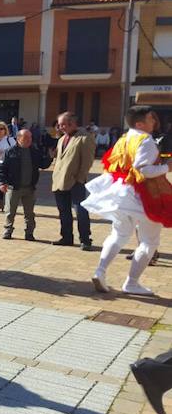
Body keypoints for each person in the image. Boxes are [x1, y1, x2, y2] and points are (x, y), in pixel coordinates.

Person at [83, 106, 171, 295]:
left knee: (119, 234)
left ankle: (100, 271)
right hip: (143, 194)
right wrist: (166, 167)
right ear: (140, 123)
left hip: (121, 193)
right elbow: (143, 170)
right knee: (149, 241)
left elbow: (113, 164)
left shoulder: (125, 138)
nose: (154, 122)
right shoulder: (145, 140)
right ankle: (131, 282)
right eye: (150, 119)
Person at [51, 111, 96, 249]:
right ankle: (66, 237)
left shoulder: (85, 138)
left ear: (73, 123)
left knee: (80, 211)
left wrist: (80, 178)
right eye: (59, 125)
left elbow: (87, 161)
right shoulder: (61, 139)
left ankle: (85, 239)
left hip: (75, 181)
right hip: (59, 181)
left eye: (63, 124)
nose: (61, 127)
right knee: (63, 211)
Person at [0, 129, 53, 241]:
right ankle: (8, 230)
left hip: (29, 188)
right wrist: (2, 182)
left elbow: (43, 164)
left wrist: (49, 157)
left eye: (30, 138)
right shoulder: (10, 152)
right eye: (26, 138)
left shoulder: (34, 151)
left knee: (29, 213)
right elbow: (1, 169)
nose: (29, 140)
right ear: (18, 139)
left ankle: (29, 233)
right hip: (13, 187)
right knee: (10, 211)